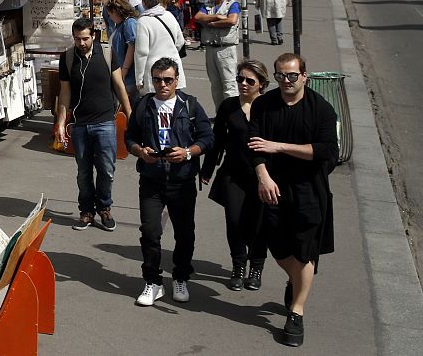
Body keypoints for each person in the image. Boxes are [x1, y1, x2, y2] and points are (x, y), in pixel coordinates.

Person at [247, 53, 338, 348]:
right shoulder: (263, 105)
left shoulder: (321, 109)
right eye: (280, 76)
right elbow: (254, 145)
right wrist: (263, 176)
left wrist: (279, 147)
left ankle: (296, 312)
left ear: (304, 76)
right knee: (279, 248)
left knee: (305, 252)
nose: (286, 81)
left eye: (292, 76)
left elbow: (326, 151)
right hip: (272, 187)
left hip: (309, 190)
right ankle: (297, 280)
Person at [124, 57, 214, 307]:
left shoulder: (190, 106)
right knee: (150, 231)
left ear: (176, 80)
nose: (162, 84)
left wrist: (187, 152)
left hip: (182, 180)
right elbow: (129, 137)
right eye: (157, 80)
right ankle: (152, 282)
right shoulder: (143, 105)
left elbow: (207, 138)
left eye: (168, 80)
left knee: (185, 234)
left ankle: (181, 277)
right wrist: (140, 152)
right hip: (152, 180)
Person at [55, 18, 133, 231]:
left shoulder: (107, 54)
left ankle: (104, 208)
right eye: (77, 39)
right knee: (83, 172)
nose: (81, 43)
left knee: (107, 169)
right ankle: (86, 211)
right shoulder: (68, 58)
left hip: (105, 122)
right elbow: (64, 92)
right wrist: (61, 124)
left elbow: (119, 86)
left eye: (85, 38)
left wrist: (130, 114)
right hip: (80, 124)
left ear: (94, 36)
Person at [199, 59, 270, 291]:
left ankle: (256, 266)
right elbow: (217, 140)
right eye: (240, 79)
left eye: (250, 81)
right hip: (233, 173)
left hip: (264, 177)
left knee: (260, 224)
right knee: (235, 220)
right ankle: (238, 265)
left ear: (261, 84)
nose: (243, 84)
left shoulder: (270, 107)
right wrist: (207, 170)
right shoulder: (228, 106)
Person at [195, 0, 241, 109]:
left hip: (226, 48)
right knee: (215, 84)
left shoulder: (232, 4)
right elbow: (198, 17)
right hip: (210, 48)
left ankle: (232, 114)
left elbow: (232, 20)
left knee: (229, 83)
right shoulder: (207, 5)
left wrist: (212, 23)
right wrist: (218, 17)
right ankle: (220, 114)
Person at [134, 0, 186, 93]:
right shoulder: (169, 15)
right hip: (173, 67)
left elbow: (142, 52)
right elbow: (180, 41)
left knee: (155, 104)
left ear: (144, 3)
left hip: (155, 72)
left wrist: (139, 78)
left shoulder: (143, 21)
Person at [104, 0, 140, 106]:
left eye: (110, 14)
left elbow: (132, 46)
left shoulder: (129, 23)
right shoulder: (121, 24)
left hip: (127, 76)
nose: (110, 17)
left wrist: (124, 69)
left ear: (116, 11)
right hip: (121, 74)